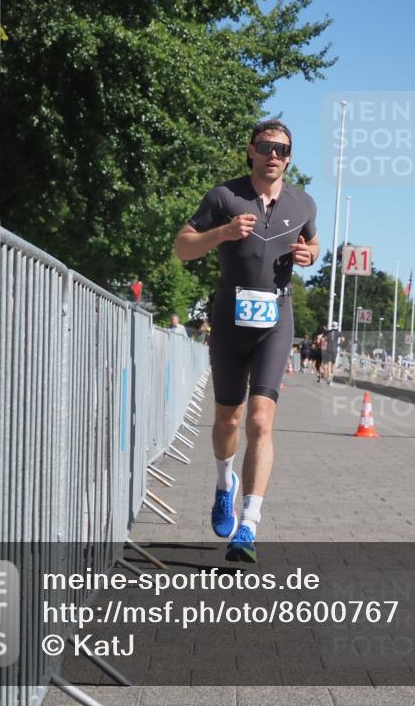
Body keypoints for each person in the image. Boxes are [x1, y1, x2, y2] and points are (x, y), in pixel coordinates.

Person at [174, 119, 319, 562]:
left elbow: (313, 248)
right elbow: (182, 247)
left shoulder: (304, 202)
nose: (273, 154)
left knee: (260, 421)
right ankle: (224, 484)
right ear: (251, 151)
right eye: (265, 146)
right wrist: (222, 233)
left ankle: (249, 526)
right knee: (228, 421)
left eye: (282, 148)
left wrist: (308, 255)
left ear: (289, 157)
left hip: (276, 317)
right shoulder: (224, 196)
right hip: (230, 316)